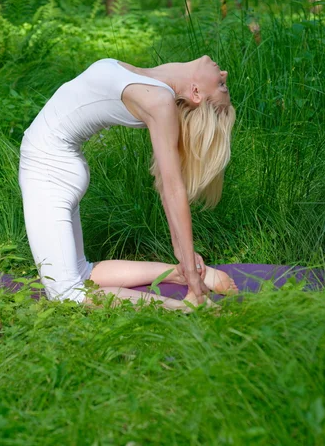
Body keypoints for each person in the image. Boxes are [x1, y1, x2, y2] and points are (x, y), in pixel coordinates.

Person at [19, 56, 237, 312]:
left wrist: (190, 266)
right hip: (58, 165)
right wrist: (184, 260)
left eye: (221, 86)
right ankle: (177, 274)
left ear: (197, 93)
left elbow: (171, 187)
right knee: (81, 273)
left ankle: (184, 307)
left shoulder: (158, 101)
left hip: (46, 170)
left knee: (66, 294)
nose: (223, 74)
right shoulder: (155, 80)